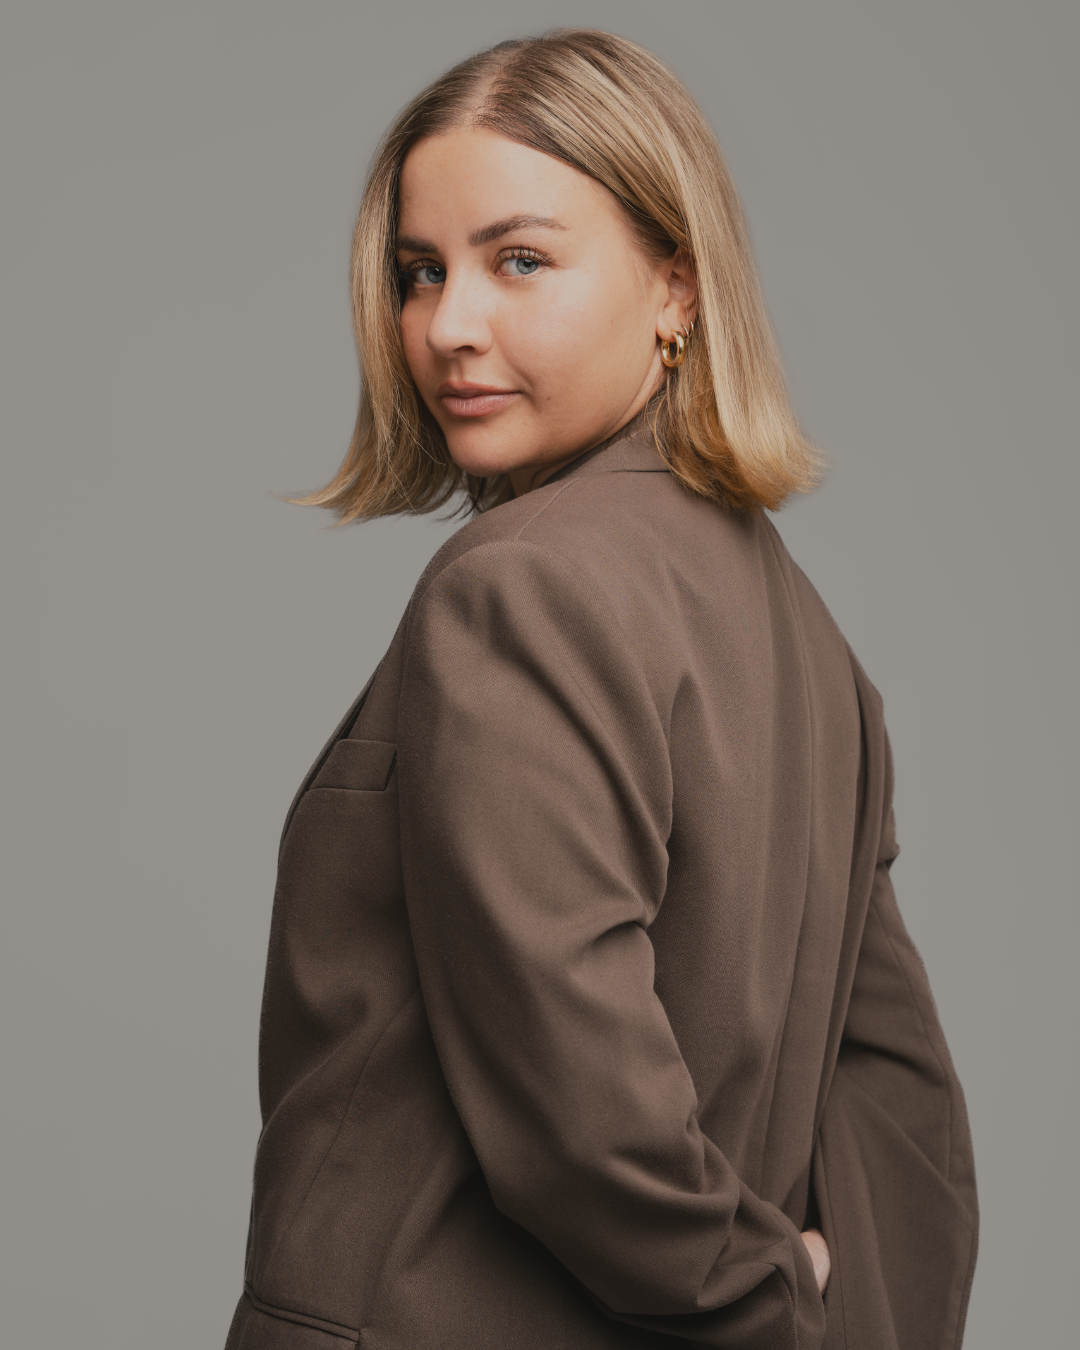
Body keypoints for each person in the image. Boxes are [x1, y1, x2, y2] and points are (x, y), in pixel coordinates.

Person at [224, 30, 977, 1350]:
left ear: (676, 289)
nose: (448, 324)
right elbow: (907, 1120)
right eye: (420, 271)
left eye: (519, 260)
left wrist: (756, 1298)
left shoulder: (514, 591)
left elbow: (587, 1109)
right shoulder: (816, 650)